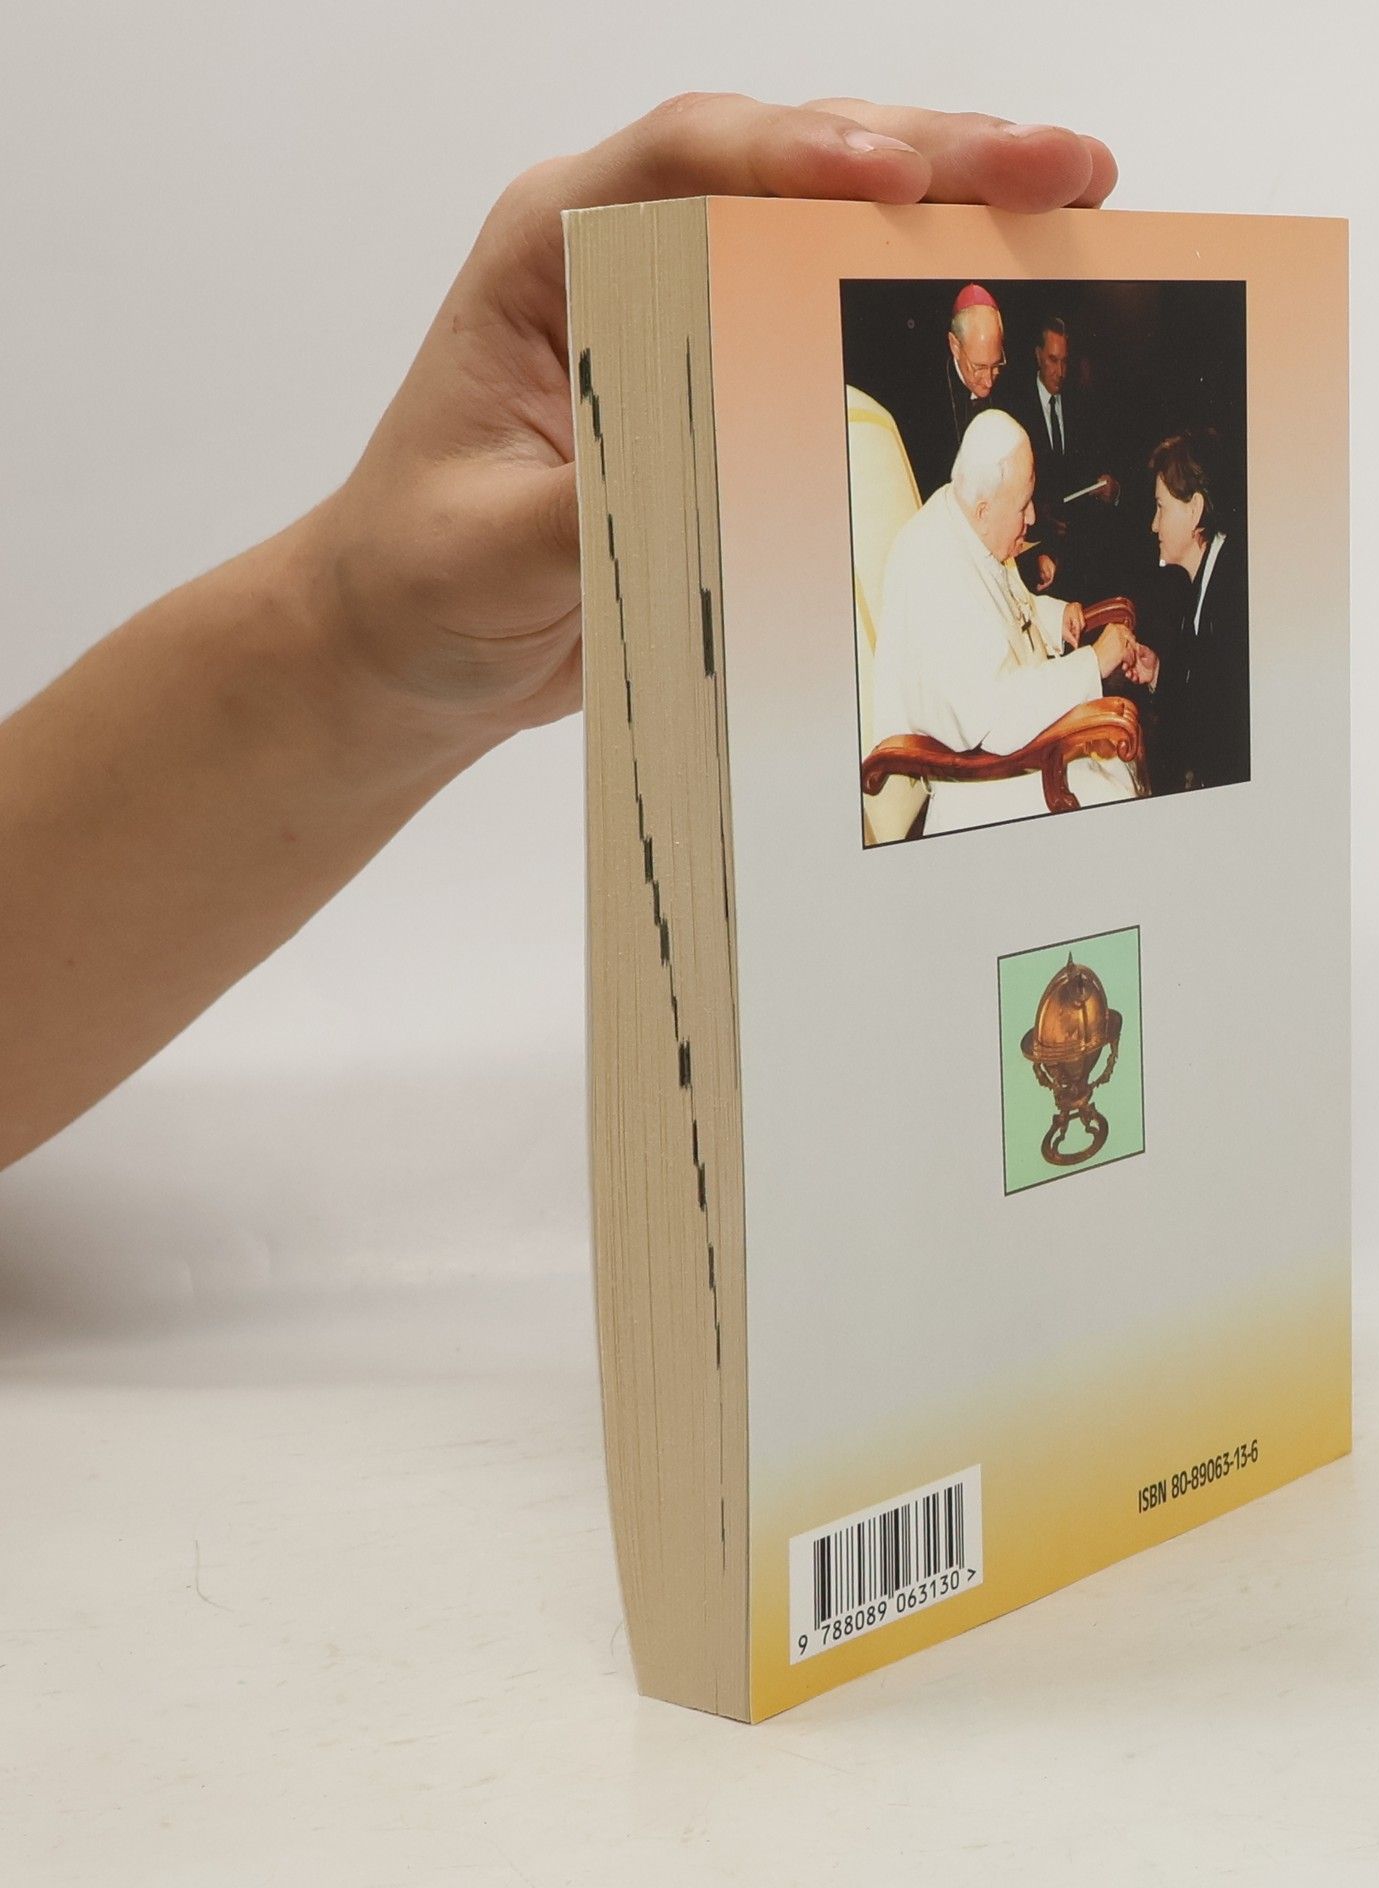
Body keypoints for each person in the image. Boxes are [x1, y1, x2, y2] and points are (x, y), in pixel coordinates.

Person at [0, 93, 1120, 1173]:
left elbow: (986, 602)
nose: (996, 378)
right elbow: (958, 673)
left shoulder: (959, 502)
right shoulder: (902, 460)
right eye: (984, 363)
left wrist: (360, 645)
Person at [870, 408, 1141, 837]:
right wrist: (1092, 661)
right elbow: (997, 718)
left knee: (1116, 763)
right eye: (1022, 506)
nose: (1032, 517)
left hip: (1016, 747)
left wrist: (1055, 617)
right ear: (984, 509)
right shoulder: (932, 570)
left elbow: (1004, 606)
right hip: (985, 781)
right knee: (1114, 797)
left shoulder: (966, 518)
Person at [1122, 428, 1251, 793]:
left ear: (1194, 510)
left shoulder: (1233, 594)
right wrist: (1158, 674)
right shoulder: (1207, 575)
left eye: (1161, 508)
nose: (1153, 525)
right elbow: (1202, 693)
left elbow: (1224, 738)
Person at [992, 313, 1120, 601]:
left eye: (1064, 361)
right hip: (1034, 554)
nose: (1060, 372)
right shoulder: (1013, 406)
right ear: (1038, 355)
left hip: (1079, 557)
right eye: (1052, 360)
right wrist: (1042, 517)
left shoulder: (1082, 403)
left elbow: (1094, 467)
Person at [898, 281, 1012, 503]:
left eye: (996, 365)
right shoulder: (924, 401)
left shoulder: (1010, 388)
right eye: (979, 367)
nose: (989, 381)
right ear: (955, 346)